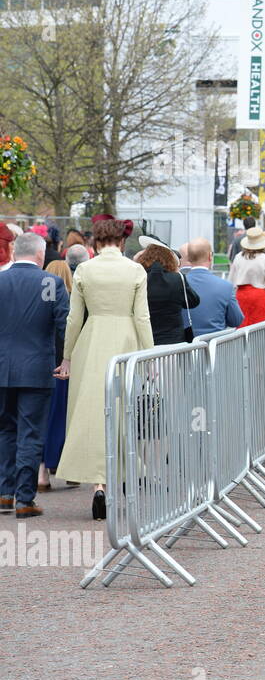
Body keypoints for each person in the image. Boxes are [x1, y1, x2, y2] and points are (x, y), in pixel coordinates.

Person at [56, 217, 154, 520]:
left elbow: (74, 320)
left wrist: (67, 357)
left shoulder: (85, 269)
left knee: (91, 412)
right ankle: (115, 480)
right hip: (125, 342)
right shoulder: (135, 270)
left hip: (92, 340)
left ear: (95, 243)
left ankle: (97, 484)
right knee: (122, 410)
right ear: (122, 242)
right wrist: (149, 356)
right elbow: (142, 318)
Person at [0, 234, 69, 518]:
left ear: (15, 252)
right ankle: (24, 499)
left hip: (2, 367)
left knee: (5, 430)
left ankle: (4, 493)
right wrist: (67, 359)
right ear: (41, 255)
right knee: (30, 432)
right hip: (37, 368)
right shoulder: (49, 283)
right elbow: (64, 324)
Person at [36, 254, 76, 492]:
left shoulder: (37, 299)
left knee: (43, 420)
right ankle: (71, 470)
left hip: (44, 365)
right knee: (66, 420)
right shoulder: (71, 301)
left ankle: (41, 472)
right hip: (66, 366)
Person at [136, 240, 202, 345]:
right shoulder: (177, 279)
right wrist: (176, 271)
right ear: (169, 259)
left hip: (146, 342)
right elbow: (193, 301)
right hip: (174, 341)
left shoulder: (139, 279)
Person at [183, 238, 244, 336]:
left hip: (185, 347)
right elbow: (236, 320)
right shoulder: (225, 286)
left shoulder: (179, 284)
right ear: (210, 256)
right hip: (215, 345)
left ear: (189, 258)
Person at [229, 226, 265, 327]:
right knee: (260, 328)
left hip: (242, 295)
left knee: (242, 326)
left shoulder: (238, 257)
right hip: (260, 296)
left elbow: (232, 279)